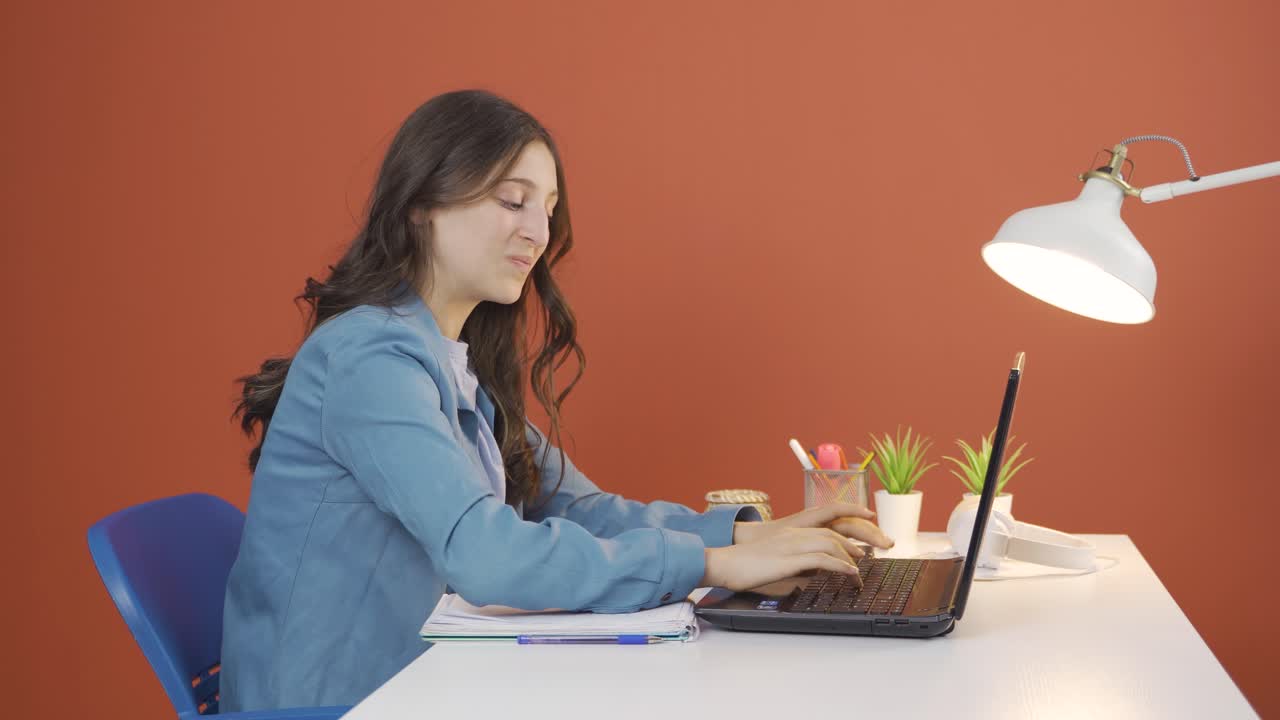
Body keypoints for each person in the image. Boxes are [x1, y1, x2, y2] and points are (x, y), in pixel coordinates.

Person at [222, 89, 893, 712]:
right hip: (339, 705)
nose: (537, 233)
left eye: (546, 211)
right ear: (421, 203)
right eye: (513, 200)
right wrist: (714, 564)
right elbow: (486, 557)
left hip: (421, 686)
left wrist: (756, 533)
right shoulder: (369, 359)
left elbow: (584, 510)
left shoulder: (449, 368)